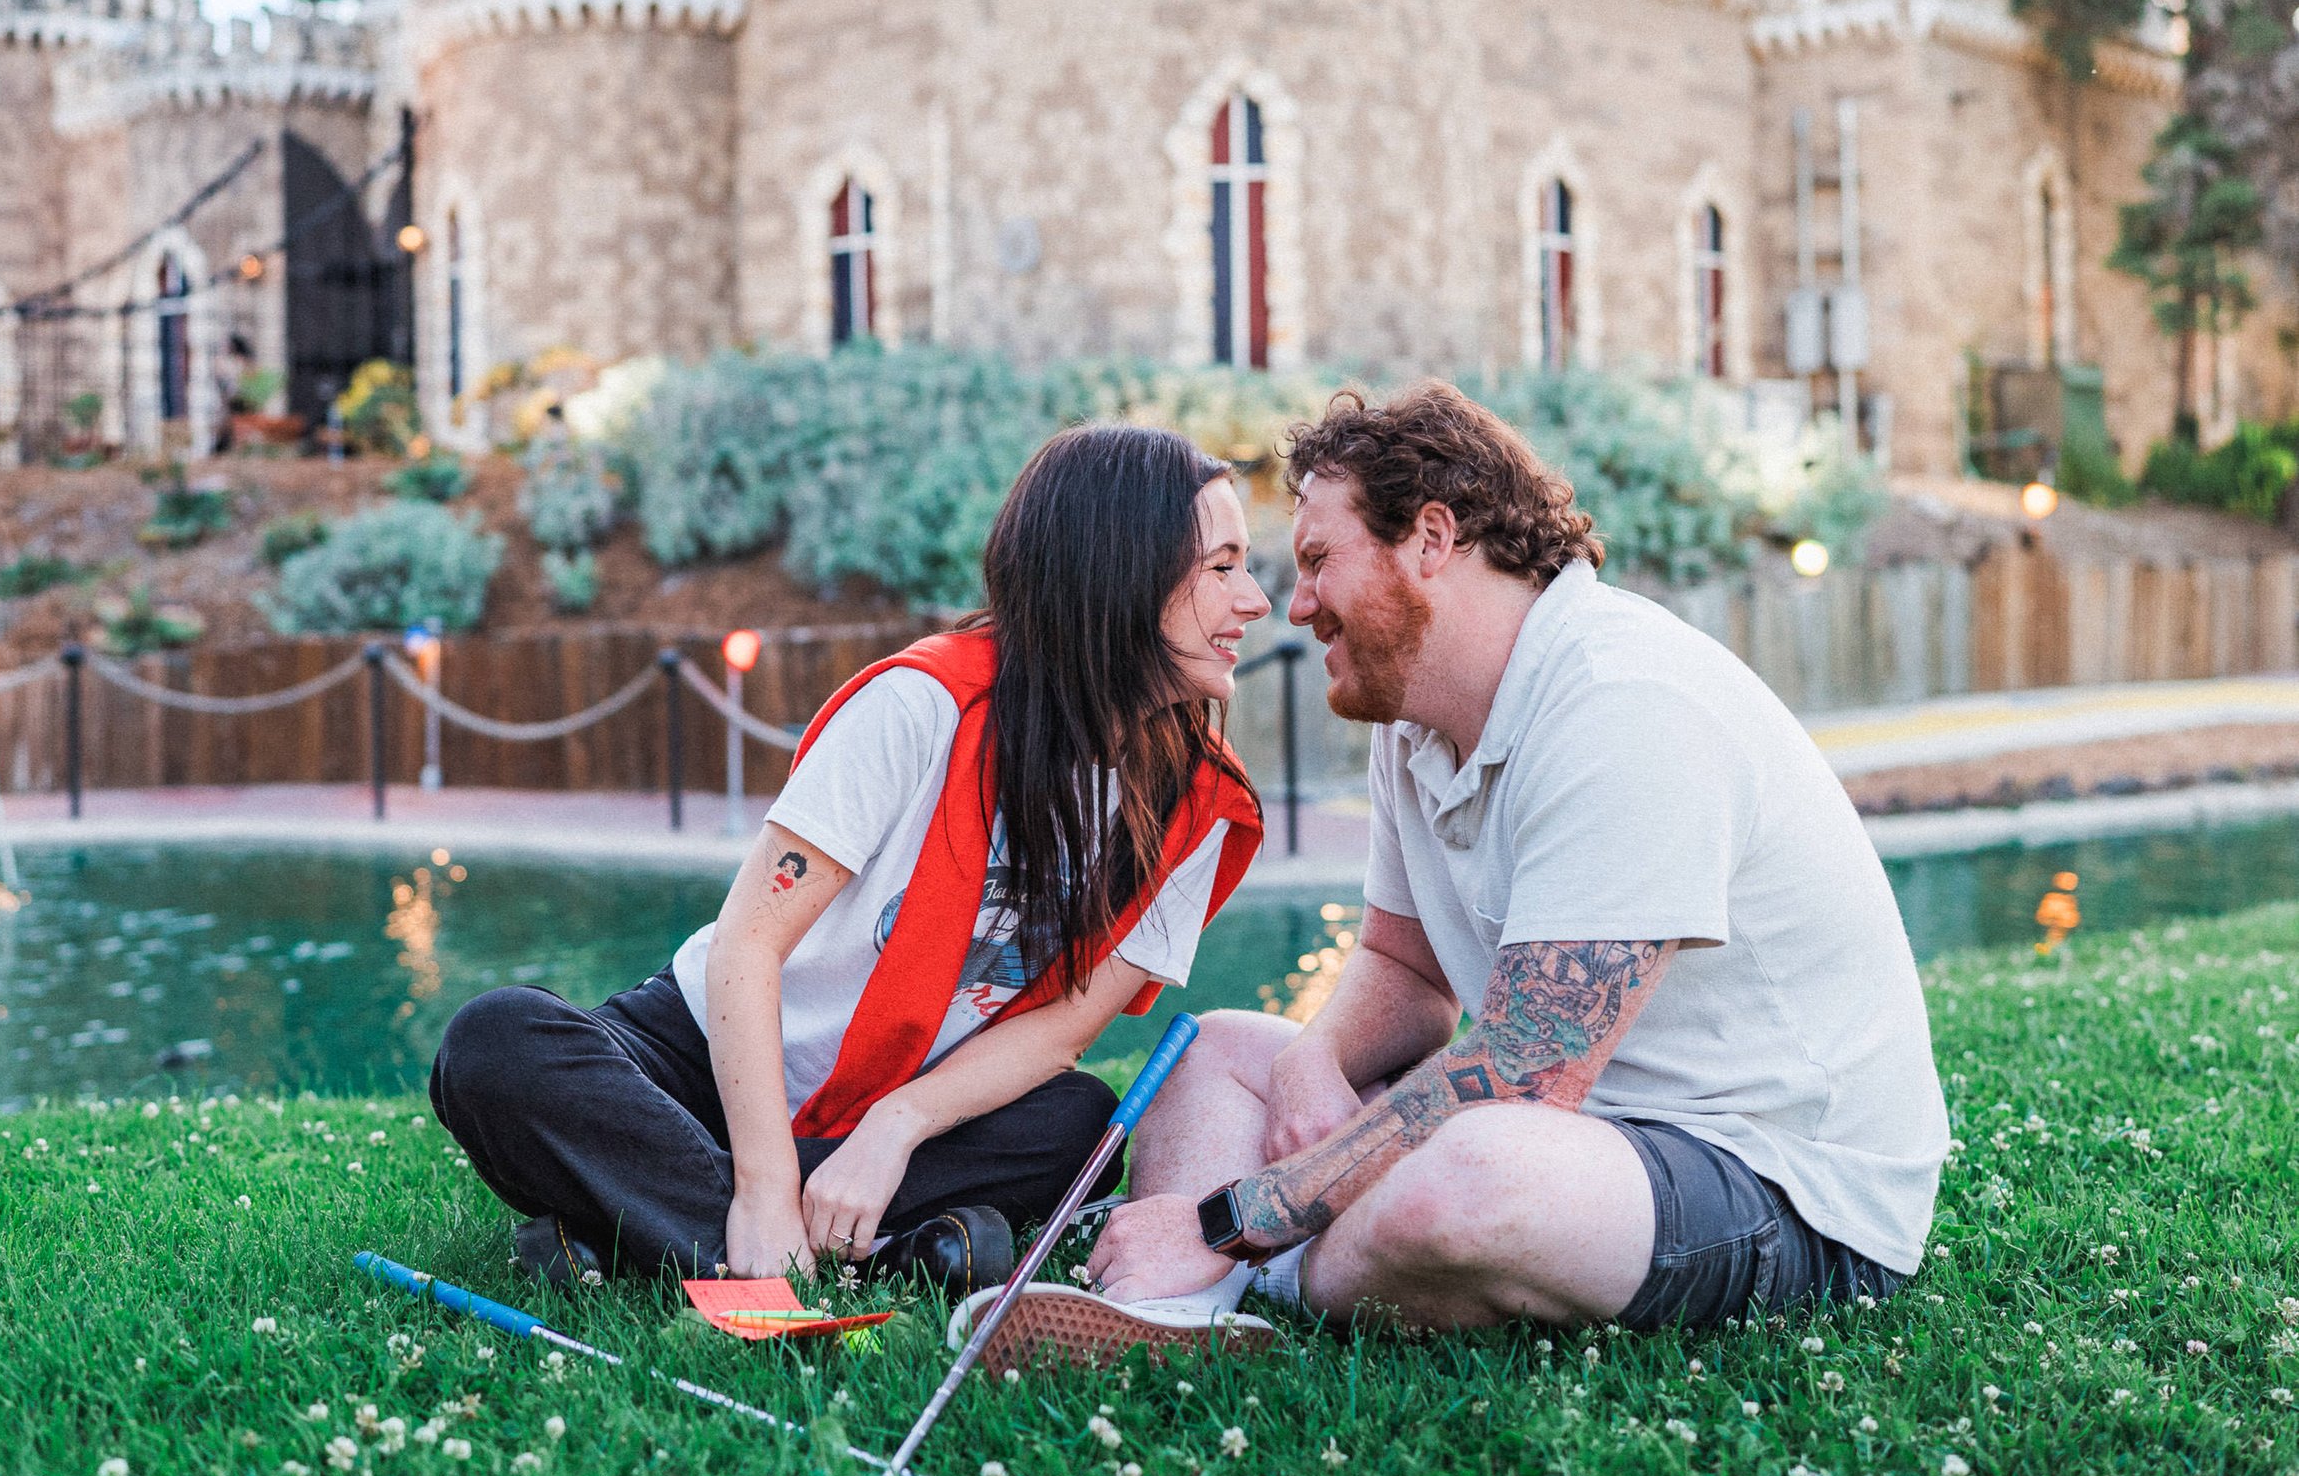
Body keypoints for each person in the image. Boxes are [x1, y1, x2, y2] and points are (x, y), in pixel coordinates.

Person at [1074, 382, 1947, 1343]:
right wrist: (1313, 1063)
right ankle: (1166, 1314)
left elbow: (1529, 1071)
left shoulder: (1621, 702)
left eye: (1320, 561)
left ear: (1433, 539)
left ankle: (1231, 1273)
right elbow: (1408, 975)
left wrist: (1236, 1215)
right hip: (1589, 1135)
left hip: (1781, 1182)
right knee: (1215, 1053)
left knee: (1470, 1177)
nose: (1298, 604)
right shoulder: (1412, 725)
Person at [432, 423, 1273, 1295]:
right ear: (1117, 573)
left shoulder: (1204, 805)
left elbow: (1061, 1031)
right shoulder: (919, 707)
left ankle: (637, 1228)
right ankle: (843, 1240)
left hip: (902, 1106)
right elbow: (746, 945)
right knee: (494, 1044)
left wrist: (896, 1126)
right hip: (702, 1062)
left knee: (1080, 1130)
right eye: (1222, 566)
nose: (1254, 598)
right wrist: (761, 1187)